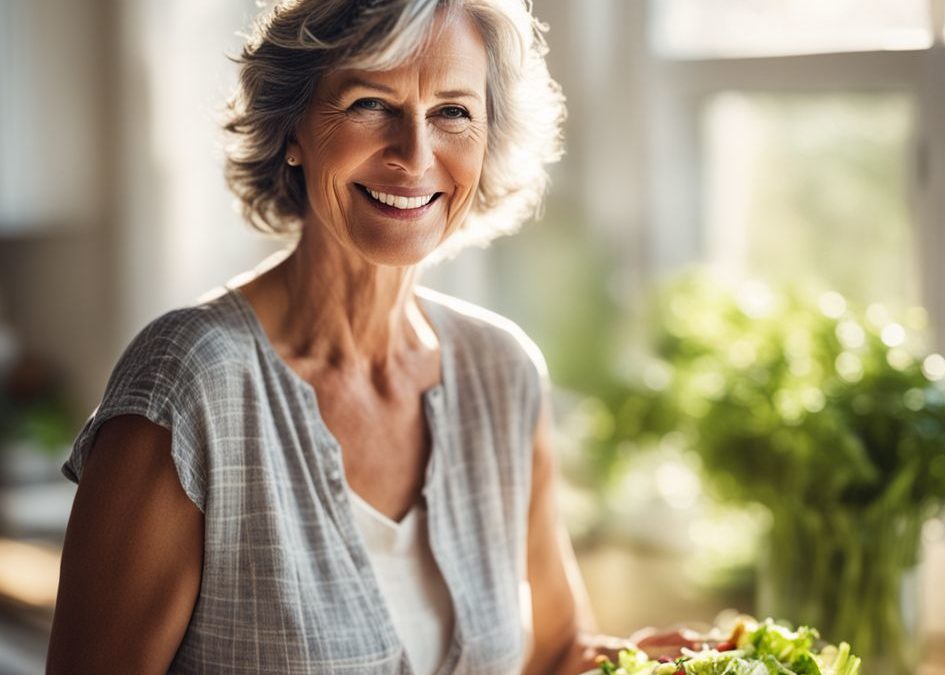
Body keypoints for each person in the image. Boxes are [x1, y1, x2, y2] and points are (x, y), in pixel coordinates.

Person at [47, 1, 686, 673]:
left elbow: (555, 650)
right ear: (293, 126)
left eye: (453, 112)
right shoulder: (190, 382)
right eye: (370, 104)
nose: (415, 153)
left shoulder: (503, 372)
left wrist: (650, 663)